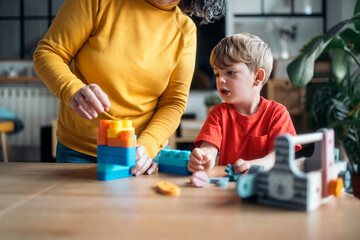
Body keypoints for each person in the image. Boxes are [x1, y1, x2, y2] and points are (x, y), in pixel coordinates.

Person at [33, 0, 226, 175]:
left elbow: (173, 103)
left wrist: (146, 148)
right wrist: (71, 89)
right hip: (79, 152)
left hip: (143, 157)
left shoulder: (185, 30)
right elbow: (48, 52)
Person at [188, 33, 301, 174]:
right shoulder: (218, 113)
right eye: (217, 74)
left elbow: (280, 156)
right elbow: (209, 148)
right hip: (227, 187)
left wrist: (253, 165)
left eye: (230, 72)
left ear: (258, 77)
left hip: (265, 187)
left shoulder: (277, 113)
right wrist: (202, 158)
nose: (220, 80)